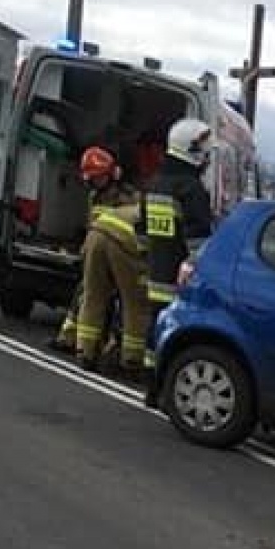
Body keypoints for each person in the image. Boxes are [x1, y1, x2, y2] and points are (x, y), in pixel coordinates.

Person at [142, 118, 214, 369]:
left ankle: (150, 379)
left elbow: (141, 230)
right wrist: (197, 267)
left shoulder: (155, 183)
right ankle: (160, 381)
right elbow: (199, 238)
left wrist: (147, 259)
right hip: (179, 280)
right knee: (174, 332)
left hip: (154, 275)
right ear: (190, 150)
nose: (207, 158)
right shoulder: (191, 189)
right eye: (204, 151)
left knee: (154, 325)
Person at [72, 146, 150, 378]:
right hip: (117, 247)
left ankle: (87, 351)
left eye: (98, 177)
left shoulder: (127, 196)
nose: (94, 182)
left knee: (94, 296)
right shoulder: (102, 196)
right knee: (134, 302)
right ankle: (130, 360)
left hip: (107, 247)